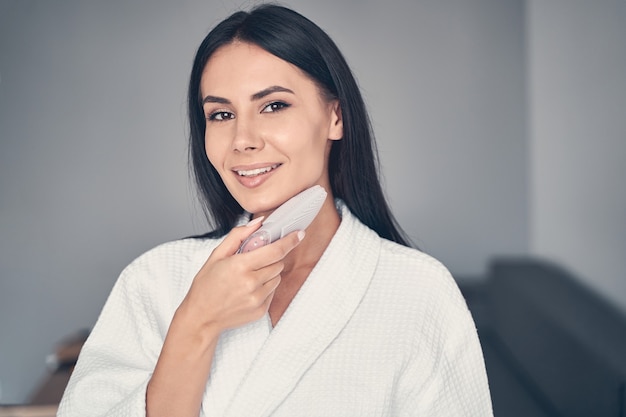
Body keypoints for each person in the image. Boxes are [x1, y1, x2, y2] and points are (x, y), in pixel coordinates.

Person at [58, 4, 492, 417]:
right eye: (221, 114)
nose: (243, 139)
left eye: (273, 106)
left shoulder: (417, 291)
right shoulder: (153, 282)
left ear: (335, 117)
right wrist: (196, 322)